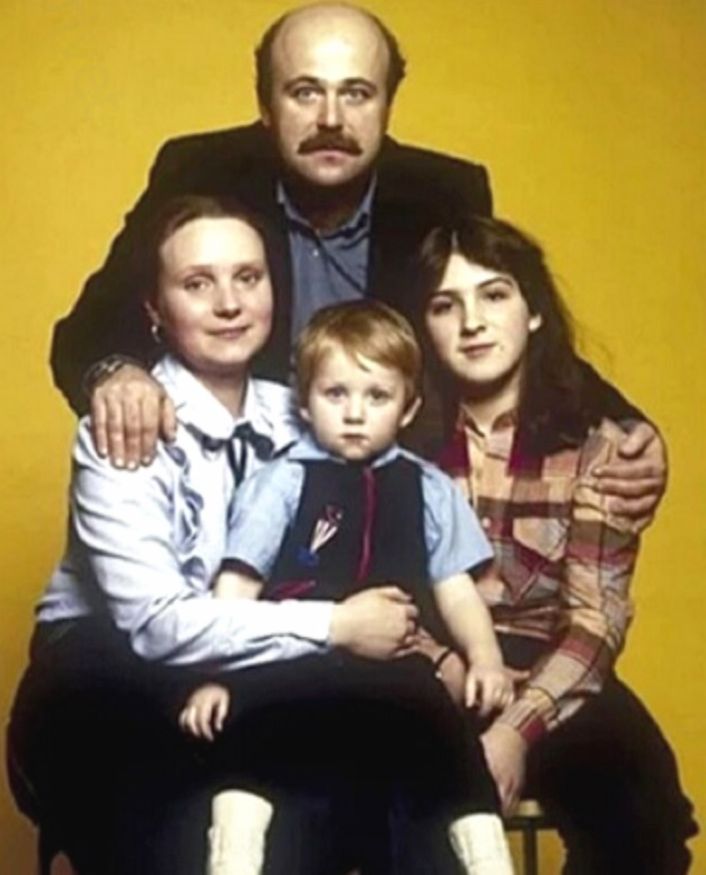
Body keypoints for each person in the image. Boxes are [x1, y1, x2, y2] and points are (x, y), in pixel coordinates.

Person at [49, 3, 666, 534]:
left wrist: (621, 423)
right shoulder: (200, 173)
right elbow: (88, 331)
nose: (331, 120)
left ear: (388, 104)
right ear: (266, 107)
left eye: (356, 93)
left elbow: (499, 333)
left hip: (380, 506)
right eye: (305, 92)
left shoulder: (441, 192)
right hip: (225, 502)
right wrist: (116, 371)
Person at [7, 196, 421, 875]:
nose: (229, 303)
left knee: (351, 784)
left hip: (256, 669)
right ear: (154, 309)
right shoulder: (124, 421)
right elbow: (155, 625)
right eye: (197, 283)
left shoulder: (313, 417)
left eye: (248, 278)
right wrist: (337, 625)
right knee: (178, 820)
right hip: (105, 673)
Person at [180, 300, 515, 875]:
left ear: (408, 407)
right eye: (336, 394)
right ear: (304, 402)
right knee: (249, 739)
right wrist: (213, 676)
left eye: (377, 396)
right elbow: (238, 583)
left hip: (396, 668)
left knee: (451, 744)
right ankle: (233, 859)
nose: (355, 413)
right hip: (291, 660)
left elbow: (456, 589)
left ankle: (488, 861)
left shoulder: (429, 487)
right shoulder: (281, 480)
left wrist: (485, 658)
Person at [414, 214, 697, 874]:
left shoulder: (601, 446)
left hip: (556, 664)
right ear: (423, 327)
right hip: (432, 667)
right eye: (445, 305)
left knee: (644, 814)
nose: (472, 322)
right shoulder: (398, 444)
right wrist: (447, 667)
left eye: (494, 295)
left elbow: (596, 619)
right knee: (408, 813)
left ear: (535, 311)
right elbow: (379, 591)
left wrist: (516, 728)